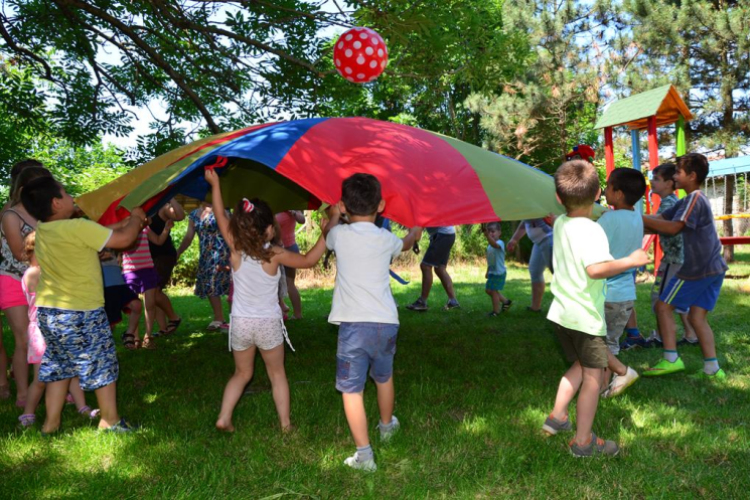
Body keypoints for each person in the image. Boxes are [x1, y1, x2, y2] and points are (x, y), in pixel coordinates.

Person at [20, 175, 146, 433]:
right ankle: (109, 420)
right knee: (102, 363)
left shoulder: (44, 231)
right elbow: (123, 239)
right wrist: (136, 219)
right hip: (82, 312)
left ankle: (50, 424)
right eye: (66, 194)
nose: (72, 198)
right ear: (56, 203)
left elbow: (106, 232)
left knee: (59, 368)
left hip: (50, 313)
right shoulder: (77, 227)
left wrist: (126, 223)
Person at [204, 169, 327, 433]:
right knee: (277, 374)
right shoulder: (276, 254)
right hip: (268, 324)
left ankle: (224, 416)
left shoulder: (235, 248)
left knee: (241, 374)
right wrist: (326, 233)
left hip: (241, 324)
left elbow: (218, 214)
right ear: (270, 229)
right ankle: (285, 424)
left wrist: (214, 184)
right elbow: (308, 260)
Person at [542, 160, 648, 457]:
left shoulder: (561, 223)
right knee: (593, 377)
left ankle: (558, 416)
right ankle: (583, 442)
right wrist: (631, 260)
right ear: (599, 192)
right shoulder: (592, 231)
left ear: (560, 198)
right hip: (585, 319)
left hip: (561, 315)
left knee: (578, 366)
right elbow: (595, 269)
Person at [324, 173, 422, 472]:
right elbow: (405, 243)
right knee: (383, 377)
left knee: (352, 389)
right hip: (386, 323)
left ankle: (364, 456)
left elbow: (327, 232)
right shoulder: (385, 239)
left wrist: (333, 214)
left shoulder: (338, 235)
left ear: (344, 205)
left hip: (353, 326)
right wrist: (416, 229)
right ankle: (386, 425)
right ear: (380, 205)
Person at [642, 153, 728, 378]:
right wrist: (629, 221)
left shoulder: (695, 199)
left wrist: (633, 217)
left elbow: (673, 228)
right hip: (714, 267)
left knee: (663, 307)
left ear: (692, 176)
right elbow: (659, 222)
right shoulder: (686, 201)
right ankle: (712, 369)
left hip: (697, 269)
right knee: (696, 317)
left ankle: (671, 359)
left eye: (678, 172)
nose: (675, 175)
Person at [18, 232, 98, 428]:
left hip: (60, 328)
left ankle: (82, 407)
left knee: (70, 372)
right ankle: (28, 413)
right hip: (42, 332)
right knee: (41, 378)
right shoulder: (34, 273)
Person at [1, 165, 52, 407]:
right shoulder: (11, 214)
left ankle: (50, 386)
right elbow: (19, 253)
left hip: (41, 281)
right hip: (11, 280)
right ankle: (23, 394)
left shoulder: (44, 212)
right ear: (24, 190)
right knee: (23, 339)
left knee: (47, 335)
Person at [597, 167, 647, 398]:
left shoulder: (608, 219)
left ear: (617, 193)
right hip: (626, 295)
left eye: (607, 186)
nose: (604, 189)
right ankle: (605, 387)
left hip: (605, 294)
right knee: (611, 343)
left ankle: (602, 384)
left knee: (596, 344)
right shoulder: (637, 215)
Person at [645, 163, 698, 347]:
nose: (652, 182)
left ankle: (660, 336)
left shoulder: (668, 203)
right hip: (679, 259)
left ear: (668, 183)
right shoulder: (672, 201)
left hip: (673, 260)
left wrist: (630, 221)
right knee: (677, 298)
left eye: (656, 179)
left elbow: (655, 225)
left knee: (660, 298)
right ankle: (691, 334)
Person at [177, 203, 231, 331]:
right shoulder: (194, 214)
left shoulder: (223, 210)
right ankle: (219, 318)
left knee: (230, 285)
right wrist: (178, 252)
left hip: (224, 253)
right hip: (206, 256)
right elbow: (189, 236)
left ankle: (235, 317)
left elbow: (231, 231)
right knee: (210, 285)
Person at [121, 222, 174, 349]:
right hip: (130, 271)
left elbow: (158, 240)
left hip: (148, 269)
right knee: (134, 307)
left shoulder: (145, 227)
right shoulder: (124, 227)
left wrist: (166, 229)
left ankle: (148, 337)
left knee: (150, 304)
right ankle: (135, 338)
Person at [149, 199, 184, 336]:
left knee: (155, 292)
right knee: (154, 293)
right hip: (149, 256)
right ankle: (163, 329)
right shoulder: (144, 208)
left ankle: (174, 318)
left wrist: (171, 197)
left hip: (164, 256)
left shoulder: (162, 206)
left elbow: (180, 216)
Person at [405, 226, 458, 311]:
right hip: (448, 234)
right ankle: (453, 302)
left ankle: (422, 302)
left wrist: (414, 242)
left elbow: (418, 229)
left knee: (425, 266)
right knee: (440, 268)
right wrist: (415, 242)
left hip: (442, 235)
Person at [507, 218, 553, 312]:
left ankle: (571, 309)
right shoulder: (527, 208)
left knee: (558, 273)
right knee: (535, 271)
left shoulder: (538, 204)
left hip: (549, 238)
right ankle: (535, 307)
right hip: (539, 241)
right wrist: (514, 239)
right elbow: (525, 221)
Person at [100, 249, 143, 350]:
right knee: (110, 323)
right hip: (105, 284)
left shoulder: (108, 234)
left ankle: (129, 334)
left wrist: (119, 253)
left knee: (136, 305)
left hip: (118, 282)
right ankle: (105, 349)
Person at [275, 210, 306, 319]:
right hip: (279, 250)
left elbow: (302, 220)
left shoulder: (292, 211)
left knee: (290, 283)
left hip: (289, 248)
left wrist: (293, 212)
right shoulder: (276, 211)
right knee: (275, 282)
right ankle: (282, 307)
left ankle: (297, 314)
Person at [483, 222, 512, 316]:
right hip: (493, 272)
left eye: (493, 231)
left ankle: (496, 311)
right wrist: (488, 271)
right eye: (489, 232)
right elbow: (490, 260)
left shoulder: (500, 243)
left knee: (493, 291)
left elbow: (494, 245)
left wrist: (487, 236)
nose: (491, 233)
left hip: (499, 273)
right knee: (488, 290)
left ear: (499, 232)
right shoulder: (489, 246)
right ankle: (506, 302)